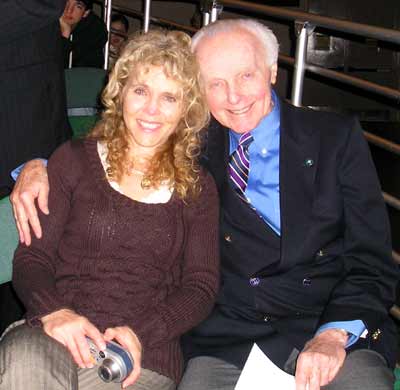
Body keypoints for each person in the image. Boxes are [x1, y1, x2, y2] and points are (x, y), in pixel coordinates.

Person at [9, 18, 398, 390]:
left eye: (246, 75)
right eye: (216, 82)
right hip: (230, 341)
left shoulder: (333, 139)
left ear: (272, 71)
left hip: (327, 327)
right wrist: (37, 166)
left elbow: (372, 260)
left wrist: (334, 334)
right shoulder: (193, 151)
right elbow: (107, 154)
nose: (234, 96)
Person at [0, 29, 219, 390]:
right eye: (140, 91)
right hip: (54, 332)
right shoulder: (72, 161)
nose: (151, 109)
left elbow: (200, 287)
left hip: (138, 356)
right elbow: (32, 258)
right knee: (25, 366)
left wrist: (142, 333)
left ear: (186, 109)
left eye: (169, 97)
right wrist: (55, 311)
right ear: (120, 93)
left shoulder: (197, 187)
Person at [60, 0, 108, 68]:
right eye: (65, 2)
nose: (69, 10)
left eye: (78, 6)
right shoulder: (46, 22)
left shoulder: (93, 31)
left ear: (86, 12)